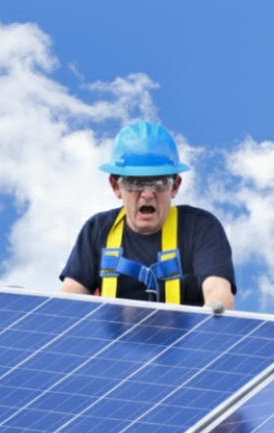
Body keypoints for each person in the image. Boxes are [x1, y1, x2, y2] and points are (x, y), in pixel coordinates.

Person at [60, 121, 236, 312]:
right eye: (135, 183)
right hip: (111, 340)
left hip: (184, 342)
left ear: (175, 186)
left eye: (159, 183)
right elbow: (70, 298)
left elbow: (217, 289)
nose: (147, 194)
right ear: (116, 186)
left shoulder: (201, 228)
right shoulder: (96, 230)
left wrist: (217, 308)